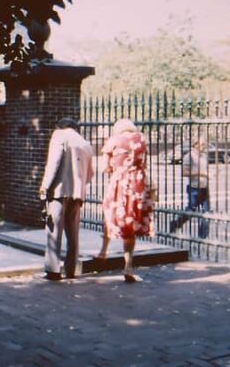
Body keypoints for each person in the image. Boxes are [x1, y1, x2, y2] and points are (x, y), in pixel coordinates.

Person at [97, 118, 155, 283]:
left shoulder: (113, 141)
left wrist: (115, 166)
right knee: (130, 222)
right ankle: (128, 266)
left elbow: (104, 168)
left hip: (119, 184)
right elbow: (145, 164)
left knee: (110, 214)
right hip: (137, 185)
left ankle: (103, 252)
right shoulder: (141, 139)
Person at [38, 118, 95, 280]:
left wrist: (45, 186)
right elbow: (90, 173)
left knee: (54, 230)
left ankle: (53, 270)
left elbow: (53, 164)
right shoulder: (85, 143)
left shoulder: (59, 136)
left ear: (60, 126)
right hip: (77, 193)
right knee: (73, 233)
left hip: (59, 190)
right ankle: (71, 269)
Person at [169, 137, 210, 238]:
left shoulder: (204, 156)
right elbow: (184, 172)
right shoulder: (189, 156)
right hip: (194, 188)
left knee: (207, 213)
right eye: (203, 144)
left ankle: (202, 237)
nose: (205, 147)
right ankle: (175, 224)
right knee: (191, 211)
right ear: (196, 145)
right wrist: (200, 173)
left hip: (205, 187)